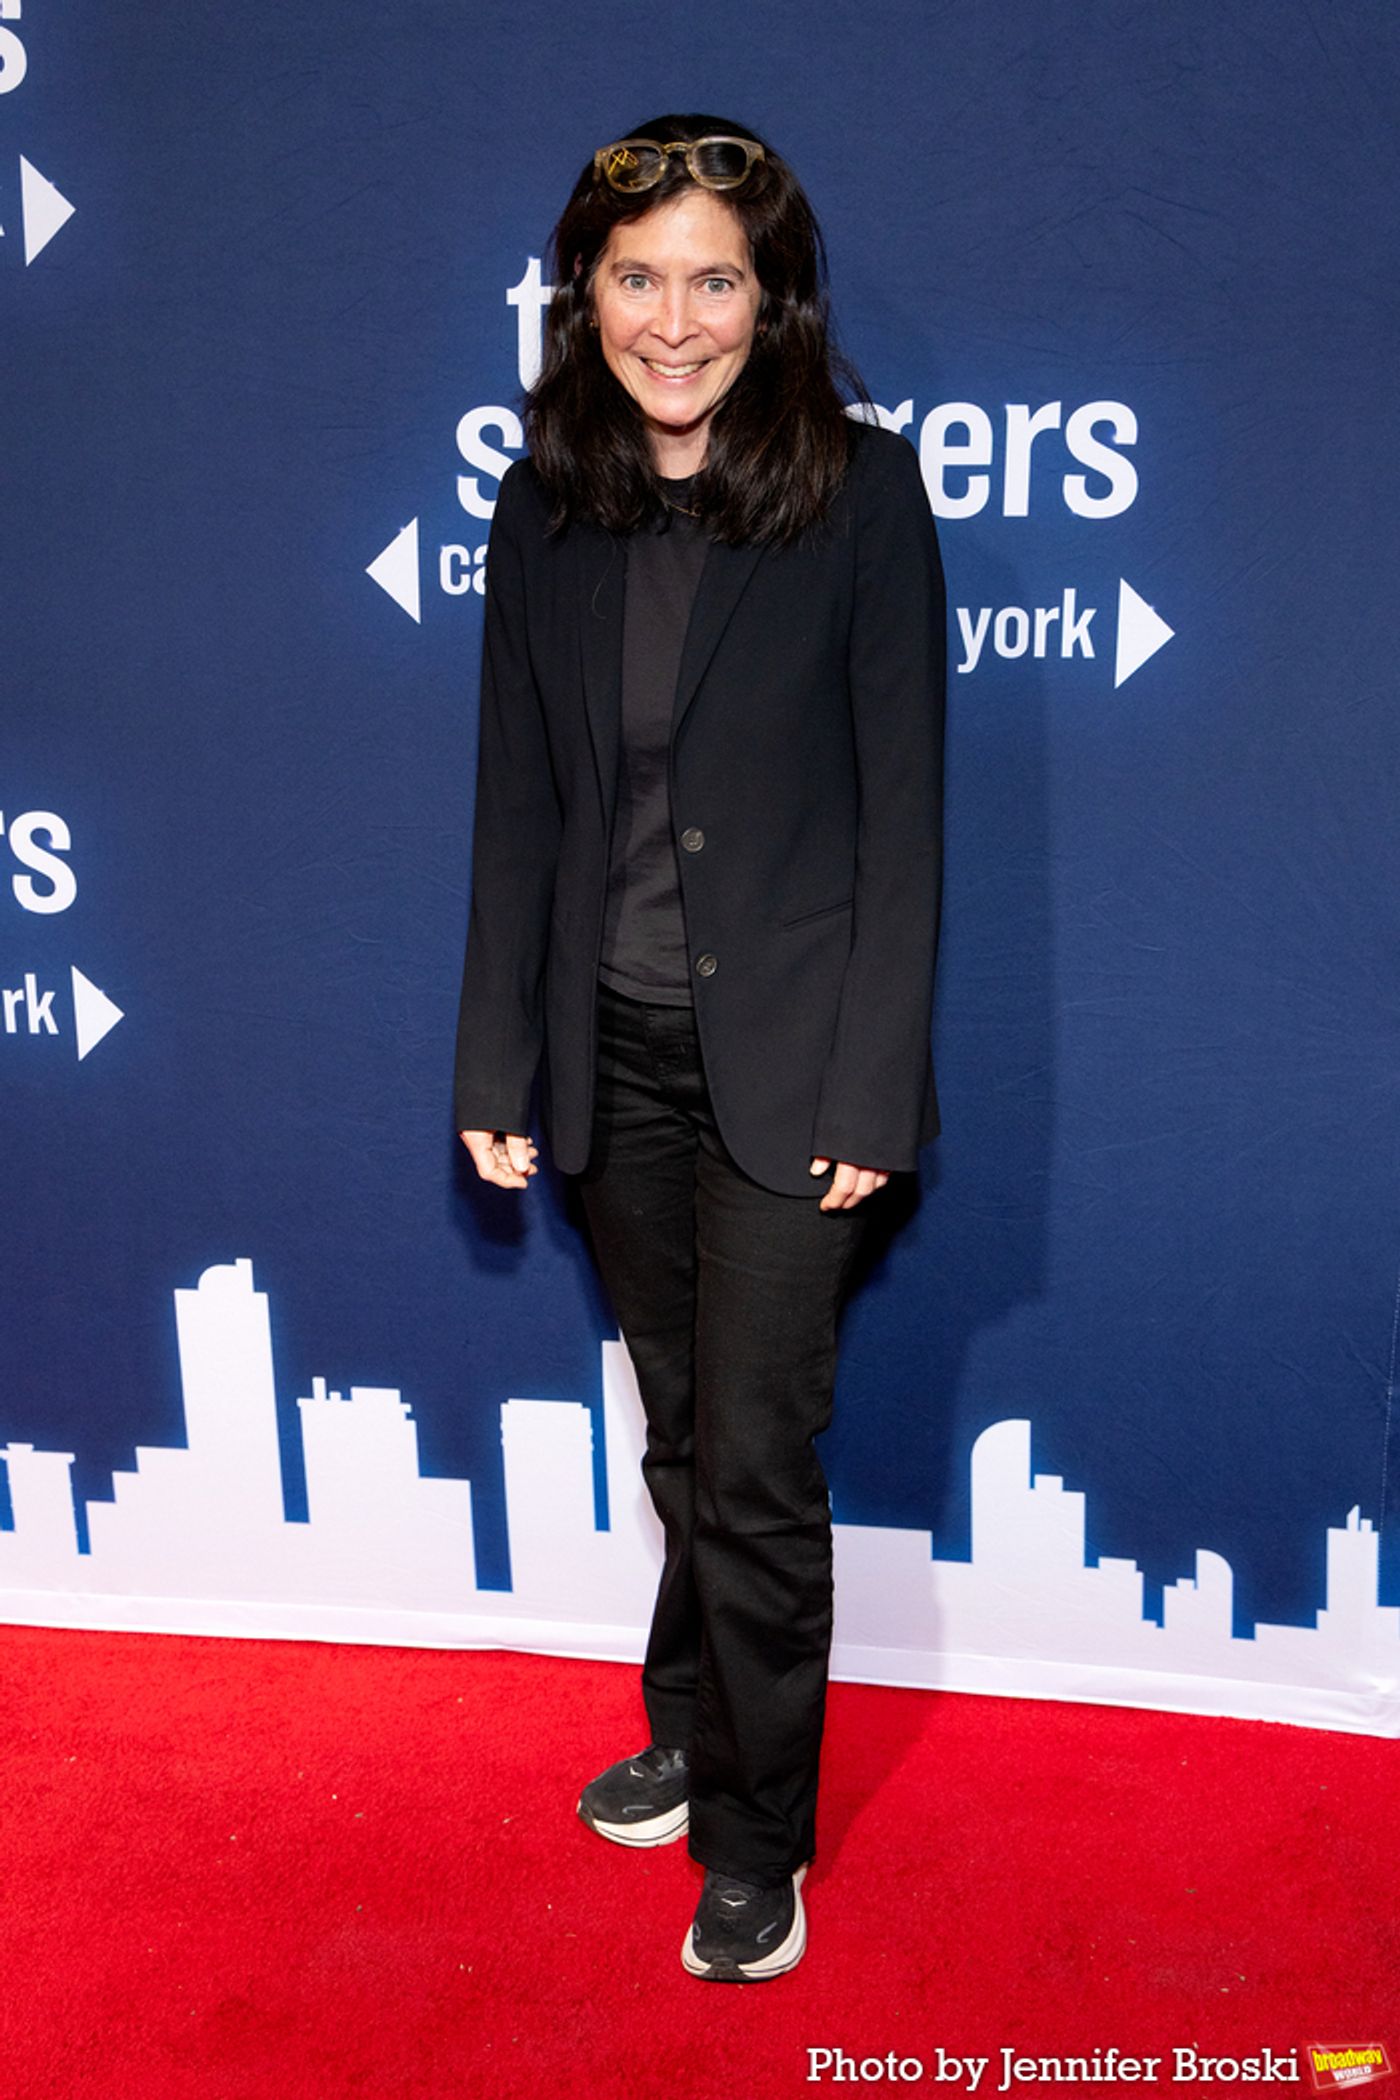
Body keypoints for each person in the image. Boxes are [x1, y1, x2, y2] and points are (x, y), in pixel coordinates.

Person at [454, 114, 946, 1981]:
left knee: (755, 1461)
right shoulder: (547, 500)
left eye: (716, 279)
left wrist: (873, 1084)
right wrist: (498, 1059)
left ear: (776, 297)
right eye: (638, 276)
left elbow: (908, 821)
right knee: (681, 1439)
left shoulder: (861, 496)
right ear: (585, 293)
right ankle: (698, 1721)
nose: (677, 320)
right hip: (612, 1055)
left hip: (791, 1067)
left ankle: (758, 1833)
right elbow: (518, 806)